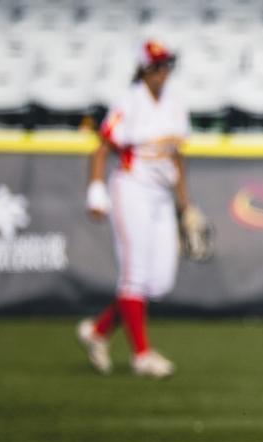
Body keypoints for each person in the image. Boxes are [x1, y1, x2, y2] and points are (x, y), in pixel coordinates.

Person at [76, 39, 191, 378]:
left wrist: (186, 205)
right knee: (135, 275)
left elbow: (177, 156)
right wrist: (96, 191)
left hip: (161, 194)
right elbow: (103, 149)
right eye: (156, 66)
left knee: (159, 281)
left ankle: (98, 332)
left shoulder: (175, 104)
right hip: (132, 188)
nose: (162, 72)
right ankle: (142, 355)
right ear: (143, 68)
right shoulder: (130, 102)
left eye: (166, 65)